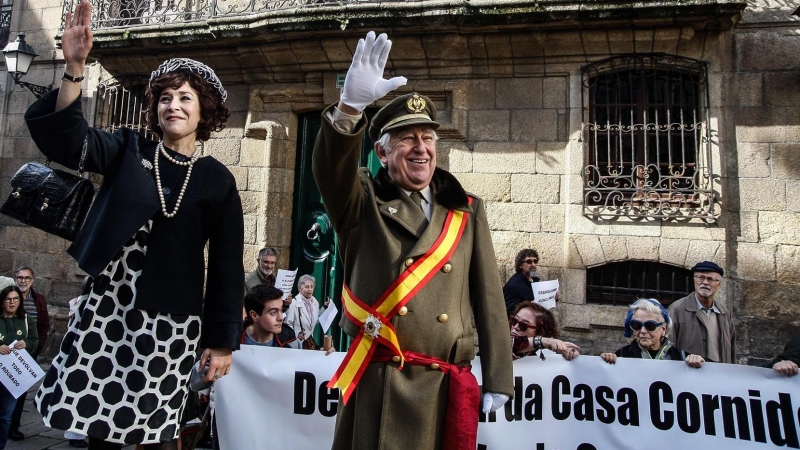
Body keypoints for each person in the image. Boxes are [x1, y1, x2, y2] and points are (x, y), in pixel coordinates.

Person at [24, 1, 245, 448]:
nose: (173, 105)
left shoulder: (217, 180)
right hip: (108, 311)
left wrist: (222, 343)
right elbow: (68, 142)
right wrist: (74, 68)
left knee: (156, 436)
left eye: (185, 97)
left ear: (204, 111)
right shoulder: (128, 150)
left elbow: (226, 267)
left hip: (170, 324)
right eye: (165, 97)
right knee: (98, 428)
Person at [313, 31, 513, 449]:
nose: (421, 148)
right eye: (407, 139)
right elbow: (330, 171)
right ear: (383, 153)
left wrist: (499, 377)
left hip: (442, 386)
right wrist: (350, 108)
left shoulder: (466, 210)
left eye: (428, 138)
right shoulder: (361, 200)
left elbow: (489, 299)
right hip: (380, 384)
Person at [8, 266, 50, 441]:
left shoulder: (38, 300)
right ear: (15, 279)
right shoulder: (8, 297)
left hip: (27, 353)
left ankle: (13, 427)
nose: (23, 281)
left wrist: (36, 348)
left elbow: (44, 325)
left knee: (20, 393)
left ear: (32, 280)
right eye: (20, 277)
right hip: (7, 352)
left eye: (26, 278)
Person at [601, 299, 705, 368]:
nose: (642, 331)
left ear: (663, 329)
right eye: (637, 325)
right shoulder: (622, 355)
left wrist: (698, 363)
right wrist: (606, 362)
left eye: (650, 326)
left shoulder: (681, 357)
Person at [667, 261, 735, 363]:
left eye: (710, 279)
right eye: (701, 278)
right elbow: (668, 347)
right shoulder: (677, 309)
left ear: (718, 284)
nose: (705, 282)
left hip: (720, 374)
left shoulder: (724, 313)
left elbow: (732, 350)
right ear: (694, 280)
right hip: (690, 373)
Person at [0, 285, 38, 450]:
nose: (12, 302)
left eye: (16, 299)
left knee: (6, 416)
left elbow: (34, 340)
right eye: (8, 299)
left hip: (13, 376)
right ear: (2, 302)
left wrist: (27, 344)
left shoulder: (26, 319)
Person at [510, 301, 579, 360]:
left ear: (540, 332)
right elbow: (512, 344)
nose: (515, 327)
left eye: (523, 325)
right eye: (514, 321)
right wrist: (546, 341)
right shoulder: (503, 345)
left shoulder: (547, 357)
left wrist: (567, 351)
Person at [284, 275, 330, 349]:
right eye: (307, 287)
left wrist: (324, 308)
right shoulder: (293, 303)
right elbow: (287, 324)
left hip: (309, 342)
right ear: (300, 289)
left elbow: (315, 320)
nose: (310, 289)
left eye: (312, 287)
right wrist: (296, 335)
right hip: (295, 344)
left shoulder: (315, 303)